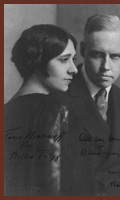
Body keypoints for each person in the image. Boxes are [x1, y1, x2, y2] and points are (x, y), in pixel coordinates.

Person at [63, 14, 120, 196]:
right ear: (82, 50)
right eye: (98, 54)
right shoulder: (60, 94)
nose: (106, 66)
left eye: (115, 56)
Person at [4, 24, 78, 196]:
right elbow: (55, 184)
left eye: (73, 59)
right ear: (38, 61)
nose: (73, 69)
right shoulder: (55, 108)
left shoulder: (6, 111)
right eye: (64, 60)